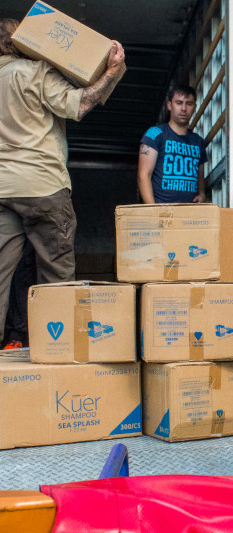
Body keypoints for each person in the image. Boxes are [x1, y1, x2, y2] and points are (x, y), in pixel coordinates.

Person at [0, 18, 125, 349]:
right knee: (56, 275)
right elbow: (81, 104)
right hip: (42, 186)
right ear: (20, 41)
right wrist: (111, 72)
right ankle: (58, 352)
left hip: (2, 190)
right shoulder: (33, 71)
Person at [138, 85, 207, 204]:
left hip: (189, 215)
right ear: (170, 105)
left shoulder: (198, 141)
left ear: (195, 107)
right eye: (179, 103)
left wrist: (202, 194)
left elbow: (200, 177)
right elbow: (143, 176)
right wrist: (153, 211)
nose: (184, 108)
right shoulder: (155, 134)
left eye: (189, 104)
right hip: (162, 212)